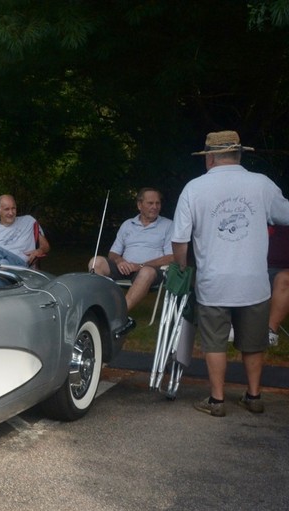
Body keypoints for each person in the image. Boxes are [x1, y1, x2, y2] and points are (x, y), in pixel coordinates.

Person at [171, 130, 289, 417]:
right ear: (238, 154)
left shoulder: (194, 188)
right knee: (254, 342)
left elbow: (179, 240)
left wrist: (183, 265)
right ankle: (254, 395)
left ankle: (217, 400)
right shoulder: (261, 184)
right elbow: (286, 215)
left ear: (210, 157)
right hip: (254, 282)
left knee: (214, 341)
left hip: (215, 281)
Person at [89, 188, 175, 310]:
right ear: (139, 205)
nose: (155, 207)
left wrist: (140, 265)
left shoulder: (168, 225)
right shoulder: (127, 224)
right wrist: (120, 261)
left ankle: (119, 312)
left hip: (151, 271)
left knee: (146, 272)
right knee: (95, 262)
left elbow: (171, 257)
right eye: (150, 203)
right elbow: (113, 253)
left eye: (158, 203)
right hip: (125, 268)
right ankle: (102, 306)